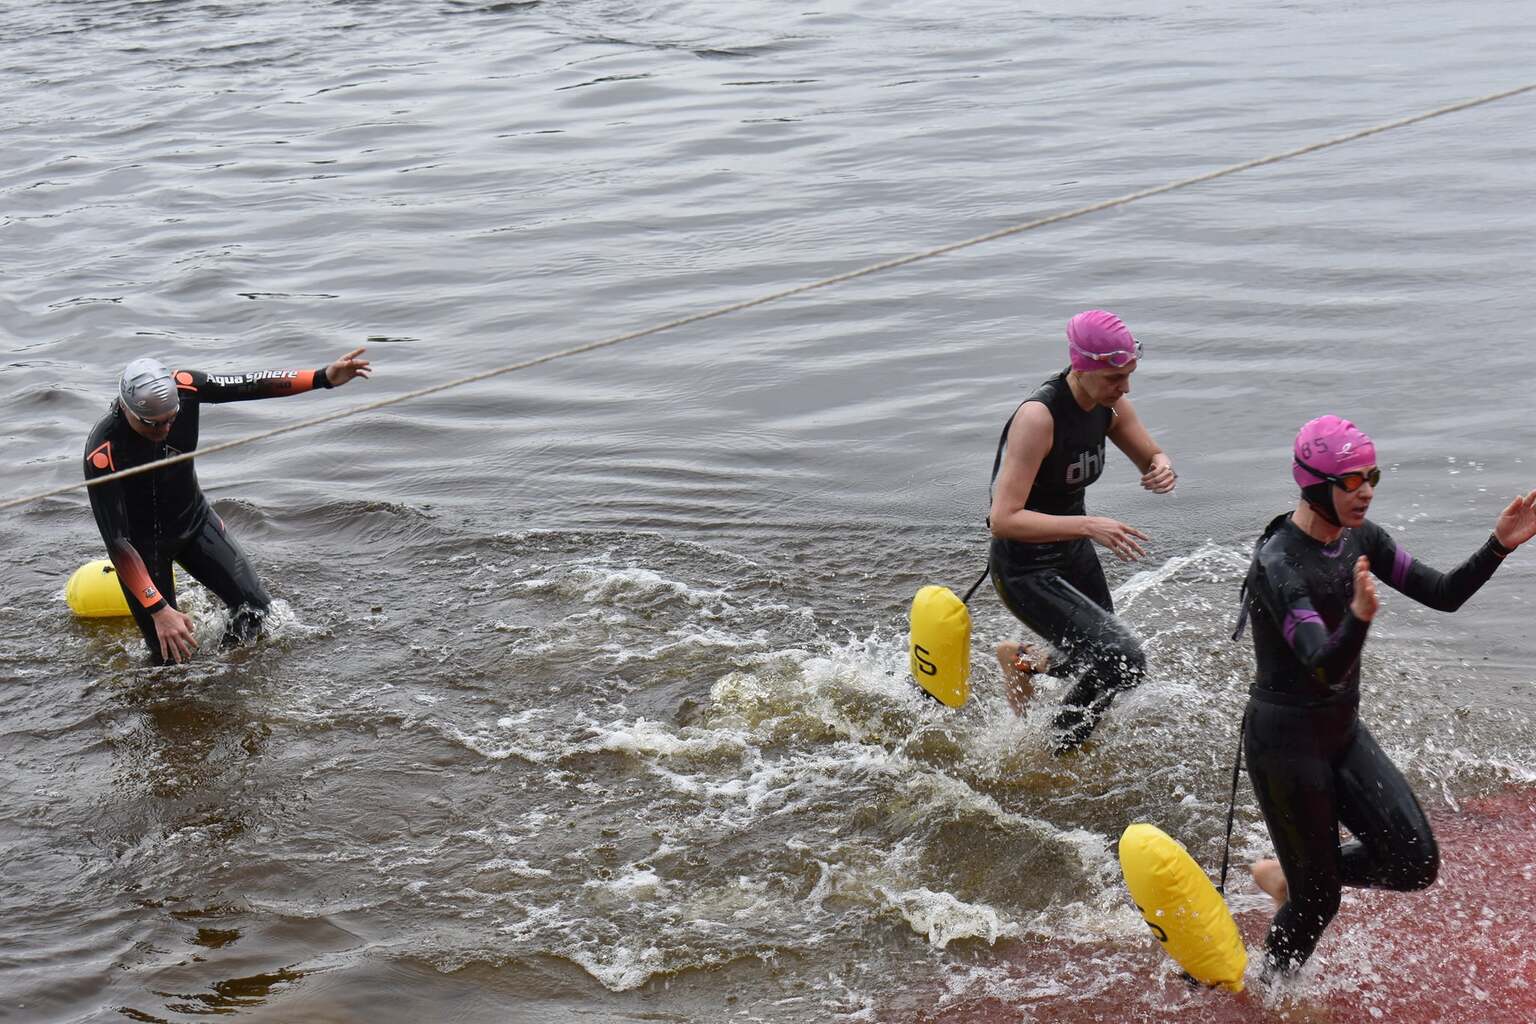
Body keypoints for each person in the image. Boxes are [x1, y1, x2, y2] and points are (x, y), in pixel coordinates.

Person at [1238, 414, 1536, 979]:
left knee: (1415, 861)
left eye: (1371, 475)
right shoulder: (1278, 564)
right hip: (1285, 744)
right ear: (1313, 485)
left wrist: (1498, 546)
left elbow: (1443, 594)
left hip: (1341, 735)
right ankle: (1268, 992)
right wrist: (1357, 619)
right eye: (1351, 481)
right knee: (1319, 902)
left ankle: (1291, 874)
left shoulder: (1362, 539)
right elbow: (1321, 663)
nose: (1367, 490)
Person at [84, 348, 372, 664]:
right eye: (153, 425)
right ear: (128, 411)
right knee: (170, 659)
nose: (164, 430)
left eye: (171, 419)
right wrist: (159, 608)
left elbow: (251, 384)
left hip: (193, 523)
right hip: (142, 550)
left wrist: (322, 378)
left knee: (258, 613)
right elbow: (118, 543)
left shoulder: (187, 385)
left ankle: (229, 674)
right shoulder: (103, 451)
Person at [987, 310, 1177, 752]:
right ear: (1082, 366)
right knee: (1122, 658)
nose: (1125, 387)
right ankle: (1057, 753)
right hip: (1024, 567)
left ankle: (1020, 660)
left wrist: (1162, 468)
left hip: (1072, 555)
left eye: (1129, 375)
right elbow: (1004, 518)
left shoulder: (1109, 406)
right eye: (1115, 377)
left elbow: (1151, 453)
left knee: (1106, 659)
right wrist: (1089, 525)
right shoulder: (1039, 417)